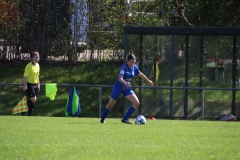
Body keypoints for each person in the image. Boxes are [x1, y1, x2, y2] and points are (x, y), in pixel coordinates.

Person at [100, 54, 153, 124]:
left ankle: (125, 119)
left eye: (134, 62)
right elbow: (120, 78)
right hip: (118, 88)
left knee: (136, 103)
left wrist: (148, 80)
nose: (132, 64)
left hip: (126, 88)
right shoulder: (124, 67)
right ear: (127, 61)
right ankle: (102, 119)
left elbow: (140, 74)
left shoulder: (134, 67)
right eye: (131, 62)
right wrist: (125, 83)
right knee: (110, 105)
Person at [22, 51, 40, 116]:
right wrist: (25, 85)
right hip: (30, 84)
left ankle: (29, 114)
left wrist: (38, 84)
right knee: (33, 99)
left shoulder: (37, 65)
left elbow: (37, 76)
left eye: (38, 57)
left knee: (34, 100)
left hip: (35, 84)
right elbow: (25, 76)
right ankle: (24, 110)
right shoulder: (29, 66)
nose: (37, 59)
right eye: (36, 57)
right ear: (32, 58)